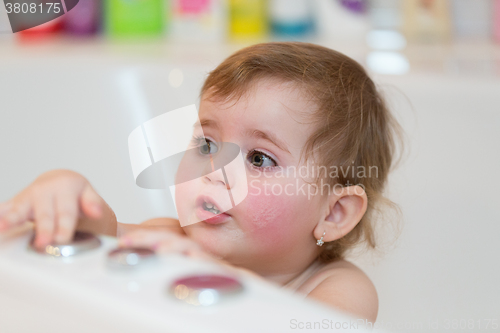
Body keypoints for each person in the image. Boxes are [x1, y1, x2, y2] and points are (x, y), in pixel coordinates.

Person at [0, 42, 402, 323]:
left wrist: (220, 279)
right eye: (206, 143)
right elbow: (95, 237)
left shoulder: (339, 289)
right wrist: (67, 194)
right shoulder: (172, 238)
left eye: (259, 158)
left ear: (334, 212)